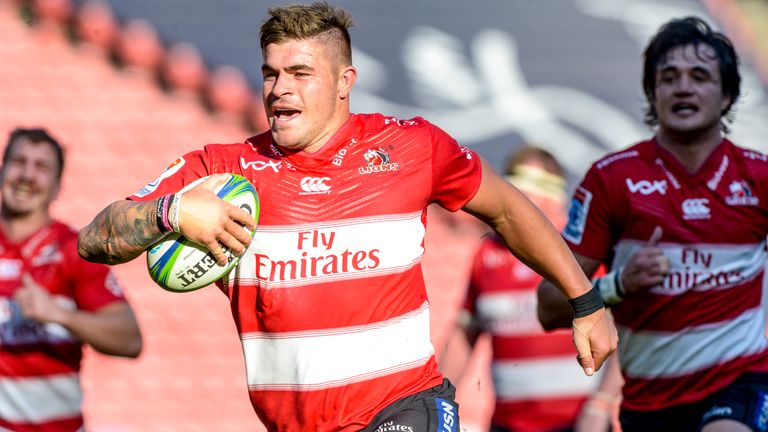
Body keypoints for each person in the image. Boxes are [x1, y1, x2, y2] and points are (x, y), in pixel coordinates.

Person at [77, 2, 616, 431]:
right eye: (269, 73)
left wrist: (585, 301)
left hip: (405, 406)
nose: (279, 89)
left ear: (344, 81)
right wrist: (171, 211)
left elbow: (506, 208)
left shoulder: (411, 148)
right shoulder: (219, 171)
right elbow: (95, 238)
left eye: (299, 73)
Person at [537, 16, 768, 432]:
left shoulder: (759, 178)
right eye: (669, 77)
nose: (683, 87)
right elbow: (548, 306)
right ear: (652, 92)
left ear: (728, 95)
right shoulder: (611, 180)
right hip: (649, 402)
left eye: (700, 76)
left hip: (741, 382)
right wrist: (619, 284)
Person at [441, 146, 616, 432]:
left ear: (554, 198)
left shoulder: (581, 253)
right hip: (507, 425)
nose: (510, 205)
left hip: (579, 425)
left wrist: (600, 407)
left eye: (523, 195)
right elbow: (465, 333)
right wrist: (440, 401)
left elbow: (625, 331)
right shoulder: (486, 255)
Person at [0, 128, 143, 432]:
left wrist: (58, 314)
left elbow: (131, 340)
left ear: (56, 187)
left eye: (41, 167)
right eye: (18, 162)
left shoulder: (74, 250)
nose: (26, 175)